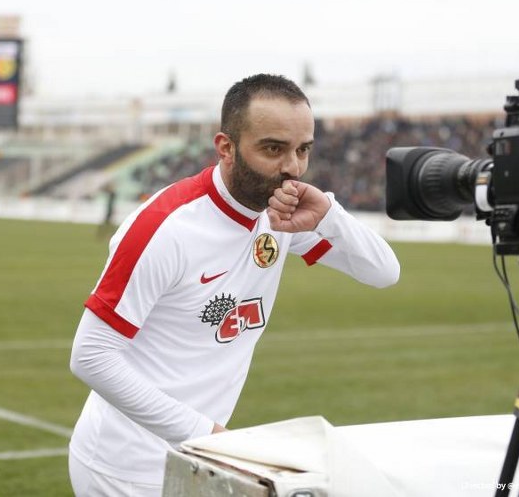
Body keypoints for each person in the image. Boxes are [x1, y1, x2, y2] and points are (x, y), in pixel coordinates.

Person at [68, 74, 400, 496]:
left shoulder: (282, 213)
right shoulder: (166, 227)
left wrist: (330, 214)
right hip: (125, 468)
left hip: (201, 458)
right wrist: (208, 435)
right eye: (273, 149)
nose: (292, 168)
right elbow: (91, 356)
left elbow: (384, 272)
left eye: (303, 150)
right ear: (226, 147)